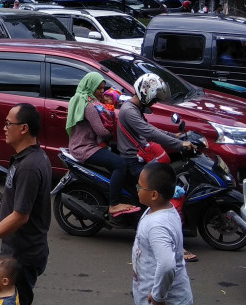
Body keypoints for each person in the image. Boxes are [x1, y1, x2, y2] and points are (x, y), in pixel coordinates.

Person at [0, 103, 51, 305]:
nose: (4, 128)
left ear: (24, 128)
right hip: (19, 251)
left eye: (8, 124)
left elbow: (21, 215)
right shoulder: (27, 158)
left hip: (23, 256)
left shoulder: (30, 166)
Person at [117, 73, 198, 263]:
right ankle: (168, 241)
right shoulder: (129, 110)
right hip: (133, 161)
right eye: (153, 99)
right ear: (146, 94)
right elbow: (149, 132)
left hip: (140, 156)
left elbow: (150, 129)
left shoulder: (134, 108)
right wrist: (179, 145)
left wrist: (176, 137)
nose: (153, 103)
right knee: (159, 196)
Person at [65, 72, 137, 217]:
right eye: (98, 88)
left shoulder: (82, 99)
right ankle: (114, 204)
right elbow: (101, 132)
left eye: (103, 88)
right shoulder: (89, 105)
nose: (102, 92)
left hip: (82, 144)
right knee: (120, 164)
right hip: (85, 148)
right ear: (91, 87)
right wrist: (112, 134)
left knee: (122, 154)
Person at [132, 162, 194, 305]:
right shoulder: (163, 209)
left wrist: (158, 296)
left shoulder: (157, 225)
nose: (137, 189)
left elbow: (167, 264)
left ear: (154, 195)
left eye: (139, 187)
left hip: (165, 299)